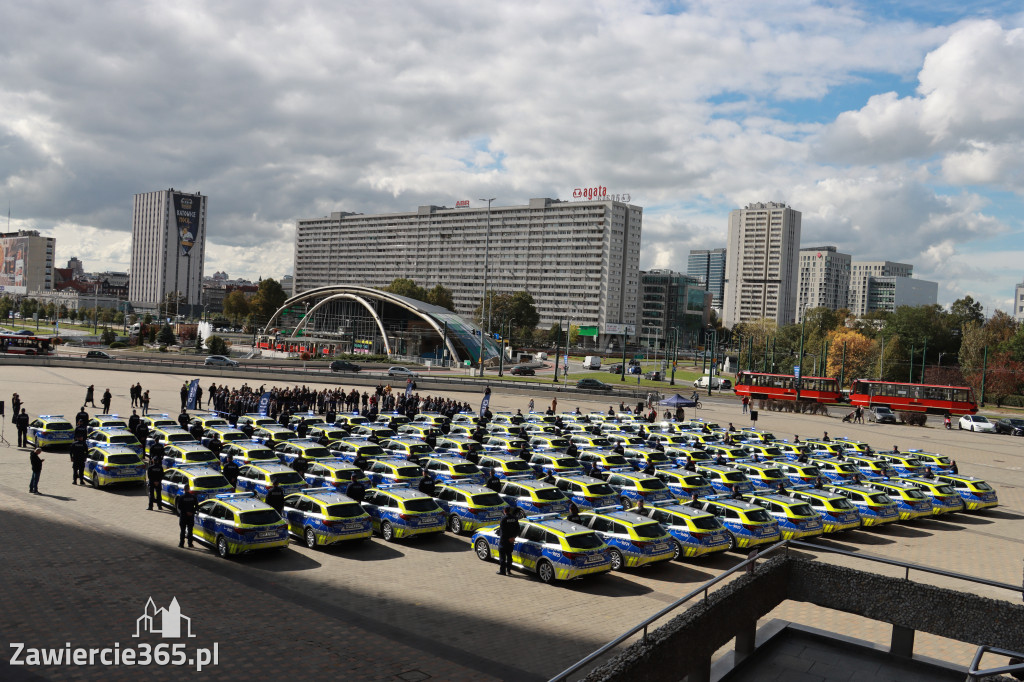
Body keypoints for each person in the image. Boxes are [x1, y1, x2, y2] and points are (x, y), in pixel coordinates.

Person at [497, 506, 520, 576]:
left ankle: (502, 571)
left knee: (502, 557)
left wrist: (508, 538)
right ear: (509, 511)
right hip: (511, 541)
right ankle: (509, 570)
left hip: (504, 541)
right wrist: (513, 537)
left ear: (504, 511)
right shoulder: (515, 518)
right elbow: (518, 529)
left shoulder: (503, 519)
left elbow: (503, 531)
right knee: (509, 556)